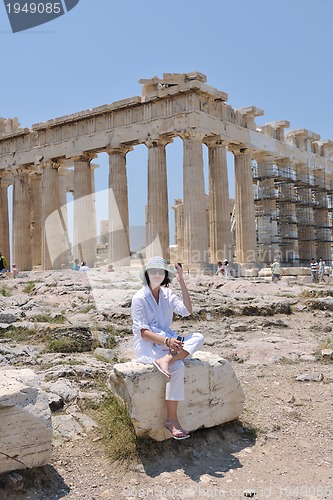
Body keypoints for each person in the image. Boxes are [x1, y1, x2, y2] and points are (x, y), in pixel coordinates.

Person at [131, 256, 204, 440]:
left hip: (168, 342)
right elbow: (142, 331)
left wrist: (182, 282)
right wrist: (167, 342)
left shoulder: (167, 294)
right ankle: (172, 420)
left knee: (198, 337)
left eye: (160, 272)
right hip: (149, 344)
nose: (156, 275)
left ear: (165, 276)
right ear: (147, 274)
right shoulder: (139, 298)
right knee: (178, 367)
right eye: (153, 271)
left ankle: (166, 360)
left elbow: (187, 311)